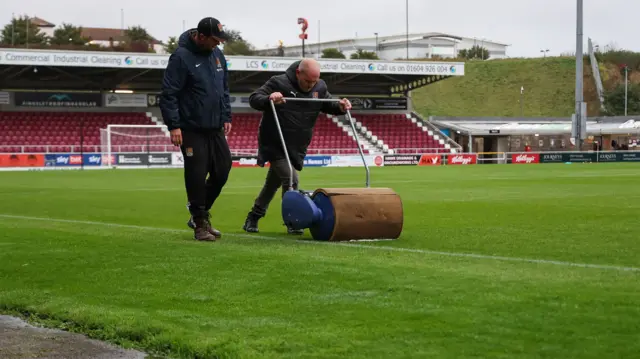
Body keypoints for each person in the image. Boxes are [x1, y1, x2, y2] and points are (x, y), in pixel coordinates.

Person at [242, 58, 352, 235]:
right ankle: (293, 220)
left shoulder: (320, 87)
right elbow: (255, 98)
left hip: (297, 145)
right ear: (298, 73)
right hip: (275, 142)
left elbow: (328, 103)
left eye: (314, 82)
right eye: (307, 81)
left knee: (272, 184)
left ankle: (253, 217)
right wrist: (270, 98)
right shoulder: (278, 82)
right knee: (291, 179)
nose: (310, 85)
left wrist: (340, 106)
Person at [159, 17, 232, 242]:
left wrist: (226, 114)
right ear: (201, 36)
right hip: (191, 127)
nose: (218, 44)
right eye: (214, 40)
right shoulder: (181, 57)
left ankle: (198, 213)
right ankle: (200, 223)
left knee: (222, 170)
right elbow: (169, 93)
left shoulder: (218, 56)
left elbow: (224, 88)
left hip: (215, 126)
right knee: (197, 174)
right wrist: (174, 125)